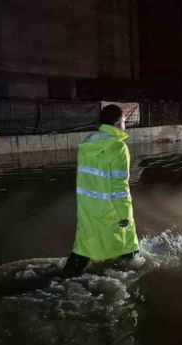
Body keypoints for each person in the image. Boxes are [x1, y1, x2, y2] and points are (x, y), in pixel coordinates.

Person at [62, 105, 139, 277]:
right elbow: (119, 186)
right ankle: (136, 272)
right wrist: (125, 214)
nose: (125, 125)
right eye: (125, 121)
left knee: (85, 244)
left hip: (87, 207)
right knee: (128, 244)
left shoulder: (88, 143)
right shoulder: (118, 147)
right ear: (118, 123)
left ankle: (64, 276)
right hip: (110, 208)